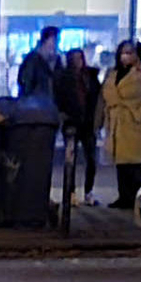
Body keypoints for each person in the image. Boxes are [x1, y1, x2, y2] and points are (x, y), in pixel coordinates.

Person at [103, 40, 141, 210]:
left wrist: (140, 113)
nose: (126, 56)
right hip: (118, 123)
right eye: (123, 52)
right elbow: (107, 94)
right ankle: (124, 196)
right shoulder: (113, 73)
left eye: (130, 52)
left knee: (136, 163)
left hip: (137, 124)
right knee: (122, 163)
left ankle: (137, 197)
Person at [55, 44, 103, 202]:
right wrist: (63, 115)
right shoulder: (63, 78)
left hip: (88, 123)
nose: (78, 62)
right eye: (74, 59)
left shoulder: (90, 77)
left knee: (91, 159)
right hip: (71, 122)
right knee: (71, 160)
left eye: (80, 58)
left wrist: (98, 119)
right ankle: (71, 192)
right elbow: (59, 98)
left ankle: (89, 192)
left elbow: (97, 98)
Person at [17, 25, 62, 102]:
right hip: (34, 104)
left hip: (48, 104)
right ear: (45, 40)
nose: (55, 44)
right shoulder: (32, 60)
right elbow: (26, 83)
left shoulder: (56, 61)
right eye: (54, 40)